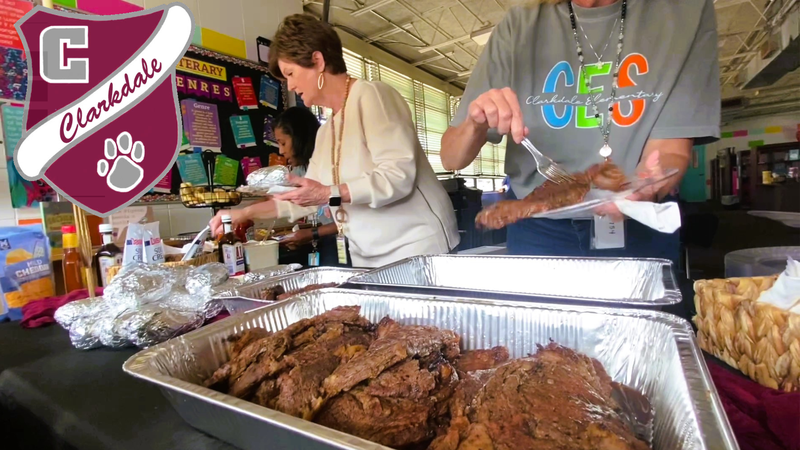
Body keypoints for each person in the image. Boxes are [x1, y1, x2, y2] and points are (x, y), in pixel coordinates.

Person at [441, 0, 720, 266]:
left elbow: (670, 150)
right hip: (538, 231)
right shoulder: (519, 25)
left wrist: (648, 184)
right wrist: (475, 124)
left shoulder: (684, 14)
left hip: (638, 224)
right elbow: (451, 158)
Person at [211, 14, 459, 268]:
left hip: (417, 249)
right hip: (366, 257)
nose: (291, 85)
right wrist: (243, 214)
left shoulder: (371, 96)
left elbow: (397, 177)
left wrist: (328, 193)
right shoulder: (326, 131)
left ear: (317, 61)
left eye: (291, 73)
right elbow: (302, 199)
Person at [272, 106, 348, 266]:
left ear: (299, 138)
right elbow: (283, 202)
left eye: (283, 143)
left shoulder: (333, 166)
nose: (281, 151)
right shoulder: (301, 170)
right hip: (328, 241)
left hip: (350, 244)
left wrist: (313, 233)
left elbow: (349, 219)